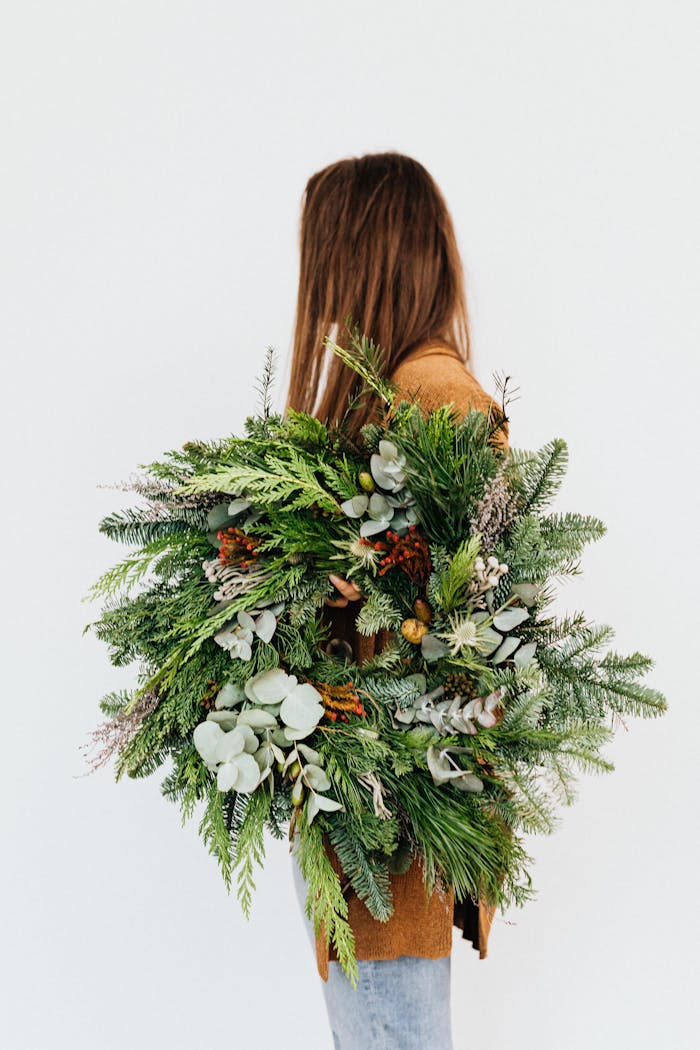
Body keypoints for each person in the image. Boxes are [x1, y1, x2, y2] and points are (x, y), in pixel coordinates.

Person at [284, 152, 509, 1050]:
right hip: (379, 823)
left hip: (390, 827)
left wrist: (354, 584)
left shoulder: (432, 396)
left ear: (359, 260)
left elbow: (470, 622)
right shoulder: (406, 390)